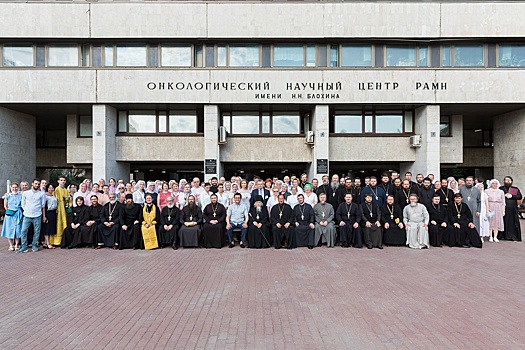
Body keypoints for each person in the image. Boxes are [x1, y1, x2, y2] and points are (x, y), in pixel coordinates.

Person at [17, 179, 47, 253]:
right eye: (35, 183)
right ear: (32, 183)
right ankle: (24, 247)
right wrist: (27, 210)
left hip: (37, 215)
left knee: (36, 231)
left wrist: (43, 216)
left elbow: (43, 205)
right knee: (23, 231)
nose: (37, 185)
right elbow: (23, 204)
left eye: (38, 184)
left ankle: (34, 245)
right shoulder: (26, 193)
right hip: (27, 215)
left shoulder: (41, 194)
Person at [499, 176, 522, 241]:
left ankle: (512, 236)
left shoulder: (515, 188)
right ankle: (502, 235)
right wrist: (504, 195)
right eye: (506, 180)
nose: (508, 181)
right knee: (503, 221)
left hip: (512, 209)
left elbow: (519, 196)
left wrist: (512, 196)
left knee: (512, 223)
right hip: (503, 208)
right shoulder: (501, 188)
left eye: (509, 180)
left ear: (511, 181)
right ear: (504, 181)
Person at [1, 182, 23, 251]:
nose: (14, 189)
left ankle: (16, 244)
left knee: (18, 230)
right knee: (9, 229)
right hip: (10, 215)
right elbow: (5, 206)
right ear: (11, 188)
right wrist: (9, 212)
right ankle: (11, 245)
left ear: (18, 187)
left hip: (18, 214)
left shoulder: (21, 195)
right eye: (13, 187)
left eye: (16, 187)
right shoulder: (8, 196)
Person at [50, 175, 69, 246]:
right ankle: (55, 241)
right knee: (58, 225)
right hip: (58, 209)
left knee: (64, 224)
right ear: (58, 181)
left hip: (64, 209)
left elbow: (68, 200)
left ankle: (63, 240)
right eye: (61, 180)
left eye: (64, 180)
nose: (63, 181)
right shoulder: (56, 189)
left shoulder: (66, 190)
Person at [42, 183, 58, 249]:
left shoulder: (53, 196)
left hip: (53, 212)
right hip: (47, 212)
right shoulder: (45, 196)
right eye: (49, 188)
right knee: (47, 228)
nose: (51, 189)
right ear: (47, 188)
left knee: (51, 227)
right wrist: (44, 216)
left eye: (52, 188)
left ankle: (46, 242)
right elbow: (43, 207)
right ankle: (48, 243)